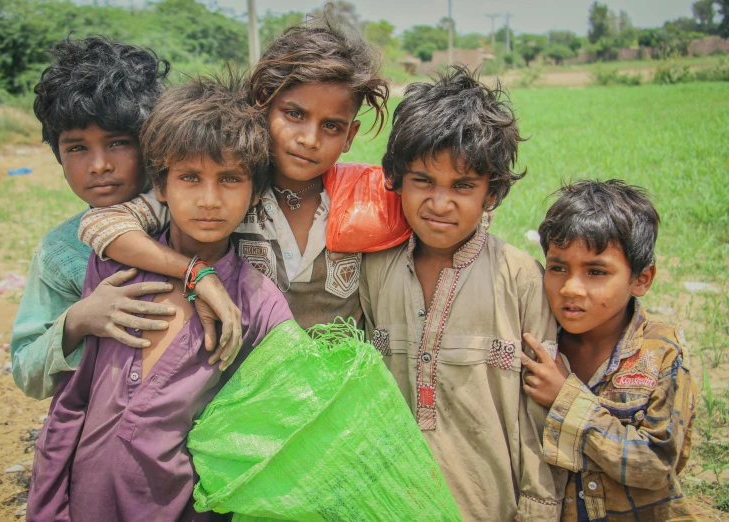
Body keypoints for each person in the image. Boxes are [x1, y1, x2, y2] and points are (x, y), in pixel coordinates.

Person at [26, 73, 293, 521]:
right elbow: (71, 402)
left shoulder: (259, 304)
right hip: (84, 498)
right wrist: (49, 503)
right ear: (161, 188)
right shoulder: (112, 268)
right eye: (190, 177)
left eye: (230, 179)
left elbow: (260, 432)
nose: (209, 200)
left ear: (254, 191)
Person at [77, 20, 389, 329]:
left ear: (350, 135)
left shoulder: (363, 195)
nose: (309, 139)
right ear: (263, 106)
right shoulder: (227, 185)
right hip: (241, 373)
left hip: (340, 374)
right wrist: (195, 272)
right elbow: (101, 224)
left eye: (331, 126)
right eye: (294, 114)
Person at [359, 66, 568, 520]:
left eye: (463, 186)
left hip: (490, 503)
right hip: (393, 501)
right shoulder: (374, 268)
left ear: (491, 193)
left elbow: (538, 415)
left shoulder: (521, 279)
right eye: (423, 181)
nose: (439, 203)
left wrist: (539, 506)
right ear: (395, 178)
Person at [10, 36, 239, 400]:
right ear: (58, 157)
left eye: (118, 142)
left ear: (153, 143)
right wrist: (79, 320)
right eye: (77, 148)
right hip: (108, 429)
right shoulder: (61, 251)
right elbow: (26, 372)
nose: (100, 165)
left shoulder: (204, 216)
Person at [520, 180, 697, 521]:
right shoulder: (536, 344)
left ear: (641, 279)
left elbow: (656, 465)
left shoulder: (661, 354)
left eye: (596, 272)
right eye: (558, 268)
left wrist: (566, 398)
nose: (571, 288)